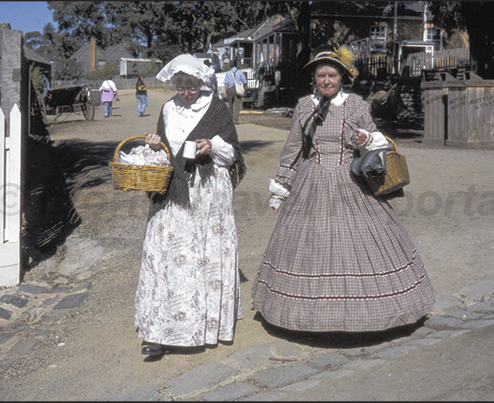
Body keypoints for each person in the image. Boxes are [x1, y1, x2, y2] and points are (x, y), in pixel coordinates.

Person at [251, 44, 435, 333]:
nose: (326, 81)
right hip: (312, 181)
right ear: (313, 77)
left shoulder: (356, 105)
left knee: (364, 241)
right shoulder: (304, 106)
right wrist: (281, 187)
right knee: (311, 246)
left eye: (332, 76)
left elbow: (375, 138)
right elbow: (293, 149)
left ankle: (371, 314)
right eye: (321, 75)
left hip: (351, 180)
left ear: (342, 77)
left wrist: (364, 138)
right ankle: (309, 316)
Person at [134, 54, 246, 356]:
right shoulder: (169, 108)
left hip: (208, 191)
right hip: (173, 190)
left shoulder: (216, 108)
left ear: (200, 82)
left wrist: (213, 145)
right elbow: (165, 153)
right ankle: (158, 332)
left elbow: (233, 153)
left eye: (191, 85)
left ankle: (207, 324)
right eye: (180, 85)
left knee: (204, 255)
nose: (185, 92)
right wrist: (155, 144)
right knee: (165, 255)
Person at [223, 59, 247, 125]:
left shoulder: (228, 73)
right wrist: (244, 89)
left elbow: (226, 83)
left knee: (230, 104)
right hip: (237, 89)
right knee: (237, 104)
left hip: (230, 89)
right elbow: (245, 81)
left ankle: (230, 119)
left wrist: (225, 92)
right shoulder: (239, 72)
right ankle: (236, 119)